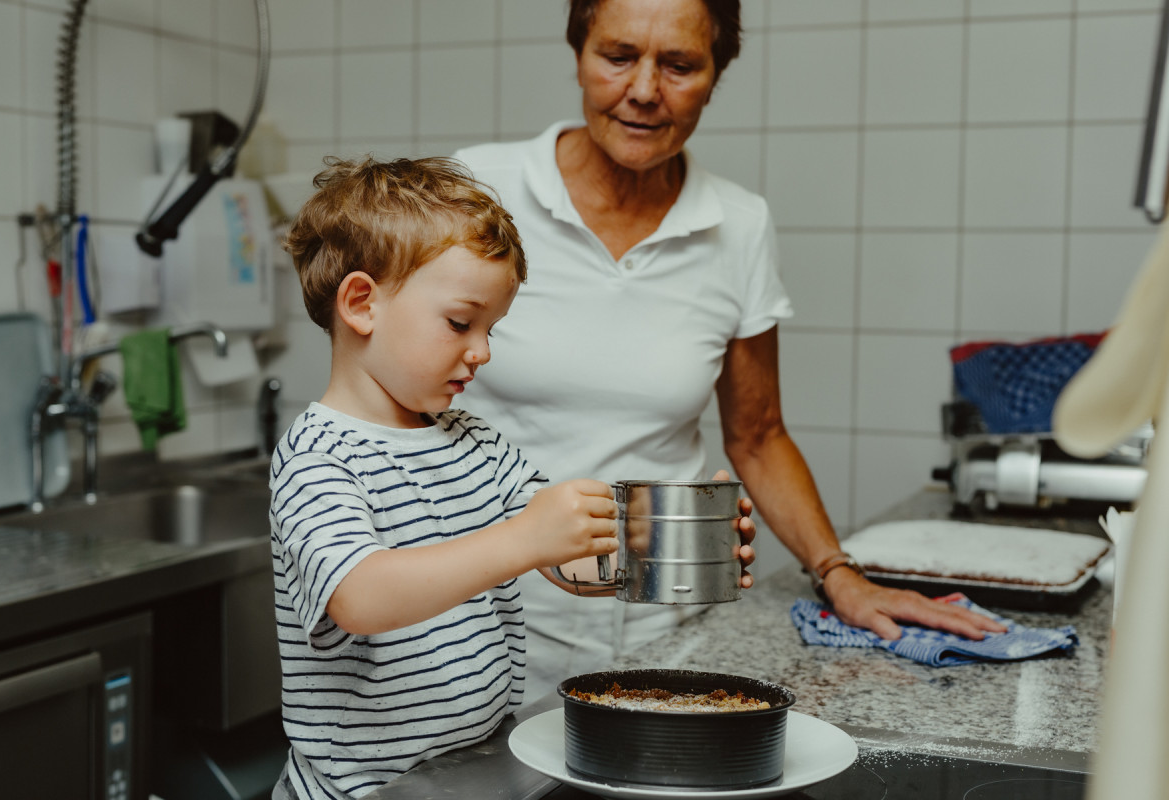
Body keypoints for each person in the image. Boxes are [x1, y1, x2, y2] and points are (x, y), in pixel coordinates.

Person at [453, 0, 1007, 701]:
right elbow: (395, 397)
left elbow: (759, 433)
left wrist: (840, 574)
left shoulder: (738, 224)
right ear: (579, 53)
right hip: (486, 613)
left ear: (715, 77)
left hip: (662, 617)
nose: (645, 90)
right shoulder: (478, 189)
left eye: (680, 65)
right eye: (618, 56)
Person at [268, 156, 741, 798]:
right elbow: (360, 597)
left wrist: (681, 546)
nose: (483, 351)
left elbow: (563, 559)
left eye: (491, 329)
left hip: (473, 773)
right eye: (460, 323)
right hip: (362, 790)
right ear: (361, 303)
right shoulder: (318, 456)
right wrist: (522, 539)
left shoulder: (477, 442)